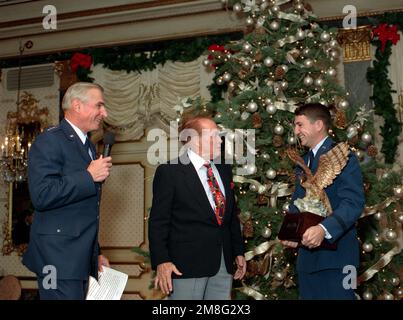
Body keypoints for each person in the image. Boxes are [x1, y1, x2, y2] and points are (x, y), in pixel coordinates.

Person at [22, 82, 113, 300]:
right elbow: (42, 195)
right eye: (99, 106)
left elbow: (83, 211)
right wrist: (88, 176)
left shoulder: (88, 146)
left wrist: (95, 253)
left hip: (78, 259)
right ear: (77, 105)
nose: (104, 113)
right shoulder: (50, 140)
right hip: (56, 258)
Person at [148, 114, 246, 300]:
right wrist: (162, 260)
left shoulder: (224, 169)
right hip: (186, 264)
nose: (219, 140)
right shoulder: (170, 172)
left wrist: (238, 251)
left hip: (223, 263)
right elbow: (158, 222)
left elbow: (231, 216)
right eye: (213, 136)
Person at [281, 103, 365, 299]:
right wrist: (291, 234)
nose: (296, 131)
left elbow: (353, 203)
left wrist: (324, 230)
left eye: (299, 125)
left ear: (318, 124)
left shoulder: (345, 157)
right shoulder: (304, 162)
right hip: (308, 262)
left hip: (340, 260)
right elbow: (299, 203)